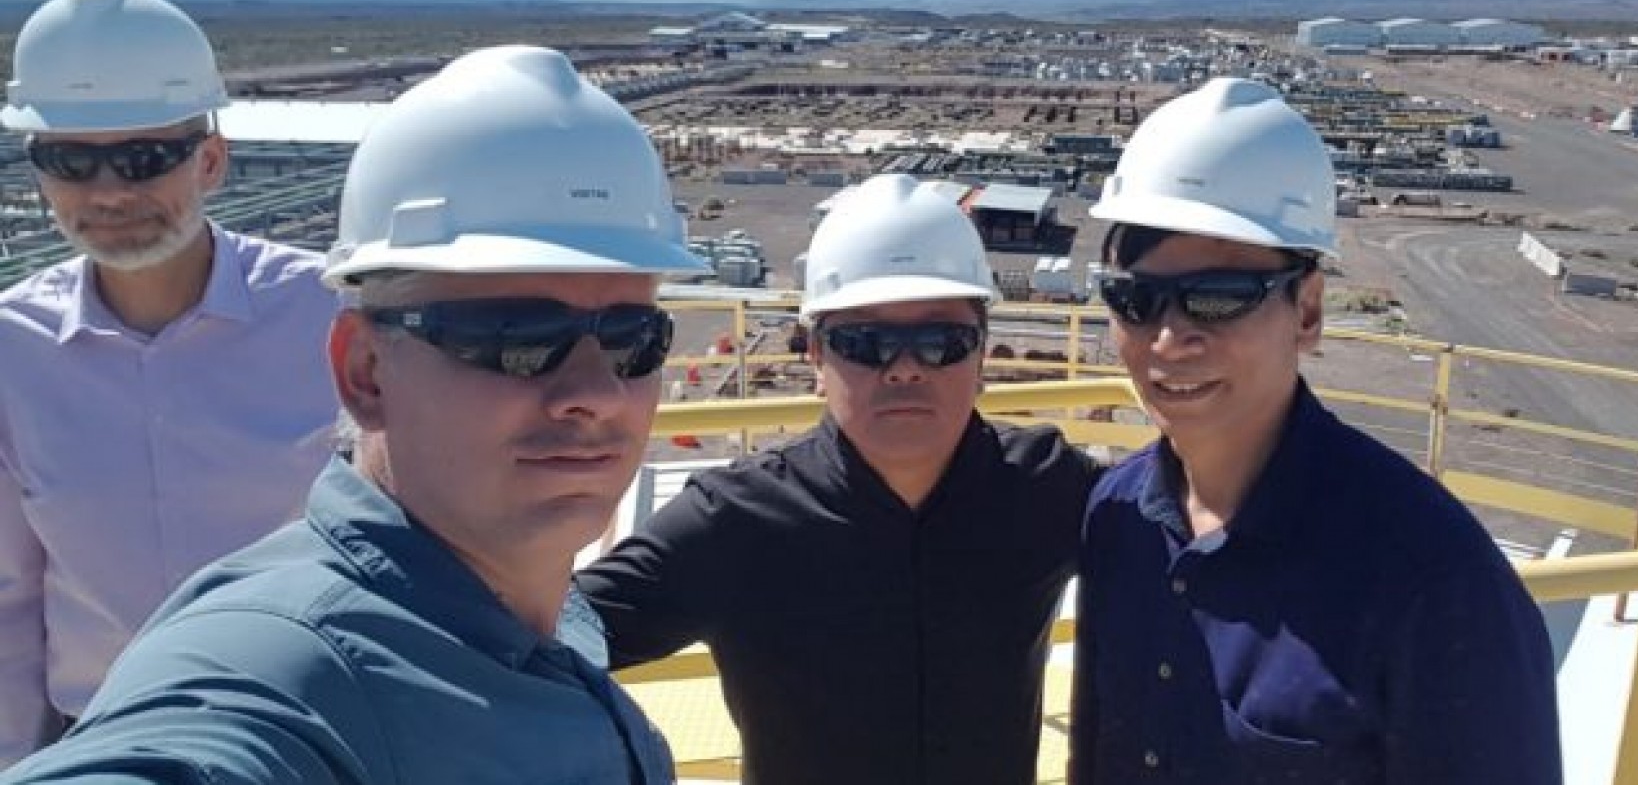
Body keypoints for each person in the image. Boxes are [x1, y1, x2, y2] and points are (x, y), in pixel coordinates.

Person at [1, 45, 699, 784]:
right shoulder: (280, 671)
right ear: (363, 372)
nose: (595, 393)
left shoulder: (547, 619)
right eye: (515, 339)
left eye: (632, 342)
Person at [1069, 77, 1562, 783]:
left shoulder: (1433, 583)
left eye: (1219, 299)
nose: (1171, 338)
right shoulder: (1116, 517)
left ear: (1307, 312)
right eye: (1135, 299)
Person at [578, 173, 1101, 785]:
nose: (905, 369)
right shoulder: (736, 522)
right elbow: (531, 643)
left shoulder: (1047, 488)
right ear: (817, 358)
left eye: (940, 342)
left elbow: (1189, 540)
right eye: (866, 342)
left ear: (982, 352)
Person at [0, 0, 339, 766]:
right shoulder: (12, 349)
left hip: (313, 739)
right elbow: (10, 598)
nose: (109, 191)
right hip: (103, 747)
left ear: (211, 160)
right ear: (39, 173)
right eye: (71, 160)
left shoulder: (329, 316)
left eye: (145, 158)